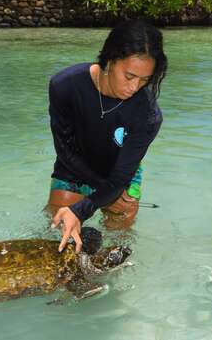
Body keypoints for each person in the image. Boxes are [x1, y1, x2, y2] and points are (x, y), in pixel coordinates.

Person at [45, 20, 168, 253]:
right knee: (57, 238)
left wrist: (109, 194)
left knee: (117, 248)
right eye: (129, 76)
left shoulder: (148, 115)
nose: (134, 87)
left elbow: (122, 175)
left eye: (144, 80)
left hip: (120, 176)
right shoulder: (64, 85)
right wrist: (95, 197)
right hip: (73, 166)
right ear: (110, 60)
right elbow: (65, 151)